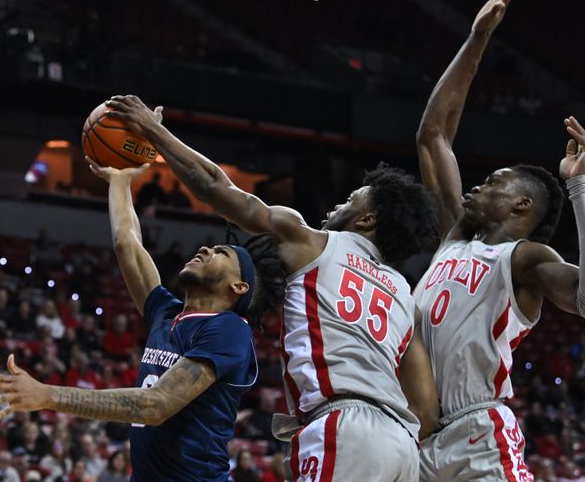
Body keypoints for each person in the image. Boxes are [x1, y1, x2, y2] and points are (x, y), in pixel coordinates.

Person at [103, 94, 439, 481]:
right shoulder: (403, 292)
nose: (334, 207)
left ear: (367, 220)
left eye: (350, 200)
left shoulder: (313, 242)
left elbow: (215, 187)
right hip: (402, 442)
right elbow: (426, 408)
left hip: (343, 425)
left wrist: (153, 130)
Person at [412, 0, 585, 481]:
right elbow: (432, 134)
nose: (478, 187)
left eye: (494, 182)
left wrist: (580, 189)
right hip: (418, 437)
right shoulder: (454, 238)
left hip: (478, 433)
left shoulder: (523, 259)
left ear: (521, 205)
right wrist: (476, 38)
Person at [0, 159, 282, 481]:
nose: (207, 248)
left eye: (222, 253)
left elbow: (155, 405)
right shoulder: (167, 313)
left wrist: (48, 395)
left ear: (239, 286)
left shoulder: (229, 329)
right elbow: (127, 245)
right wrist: (120, 179)